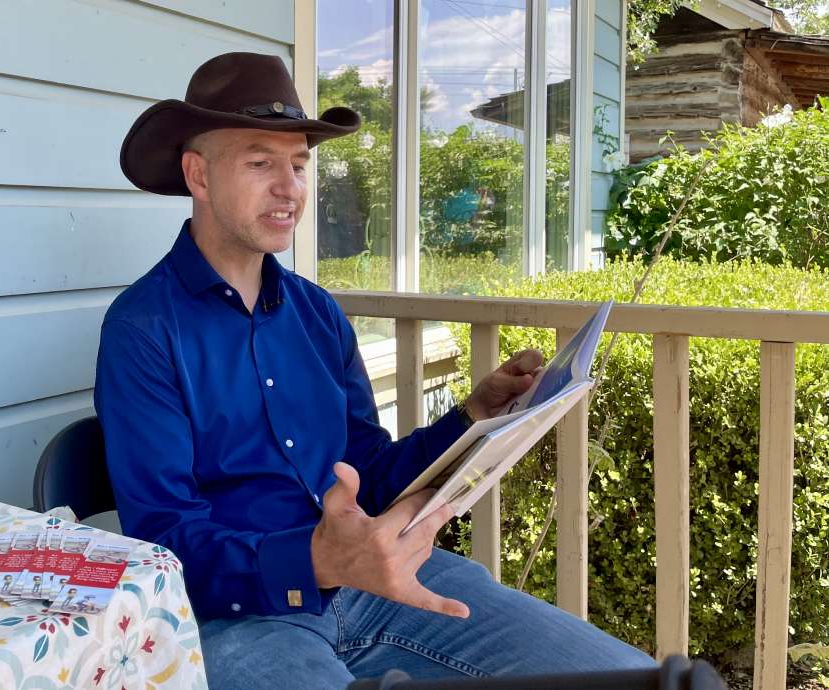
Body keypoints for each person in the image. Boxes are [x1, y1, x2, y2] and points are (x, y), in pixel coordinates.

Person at [95, 52, 655, 689]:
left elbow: (370, 471)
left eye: (300, 165)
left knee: (627, 675)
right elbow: (164, 542)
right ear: (198, 174)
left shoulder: (318, 314)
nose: (290, 188)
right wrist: (315, 559)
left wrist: (474, 417)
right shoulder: (143, 328)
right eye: (260, 163)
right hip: (241, 621)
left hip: (375, 583)